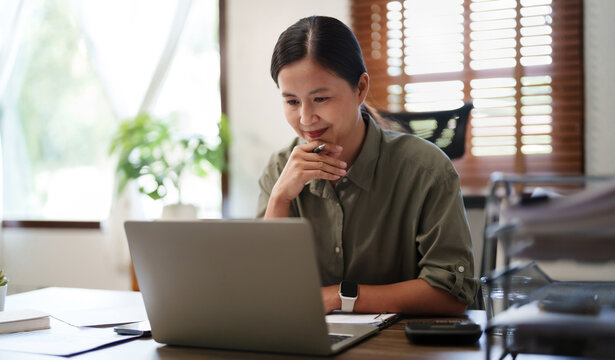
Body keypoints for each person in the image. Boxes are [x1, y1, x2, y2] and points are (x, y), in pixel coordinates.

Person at [257, 16, 477, 315]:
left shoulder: (426, 170)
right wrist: (280, 199)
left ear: (360, 88)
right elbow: (265, 293)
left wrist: (340, 297)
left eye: (320, 98)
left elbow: (451, 293)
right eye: (292, 102)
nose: (306, 118)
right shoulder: (279, 170)